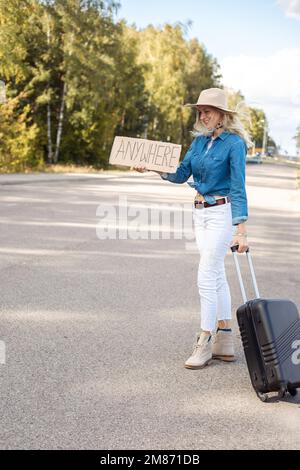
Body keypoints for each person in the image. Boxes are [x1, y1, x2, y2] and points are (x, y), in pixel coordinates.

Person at [134, 87, 251, 370]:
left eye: (208, 111)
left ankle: (204, 340)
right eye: (200, 111)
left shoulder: (234, 144)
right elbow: (180, 174)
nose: (203, 115)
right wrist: (152, 167)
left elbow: (238, 187)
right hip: (199, 214)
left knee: (206, 273)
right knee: (217, 273)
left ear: (222, 115)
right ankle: (225, 339)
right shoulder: (198, 143)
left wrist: (241, 229)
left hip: (222, 213)